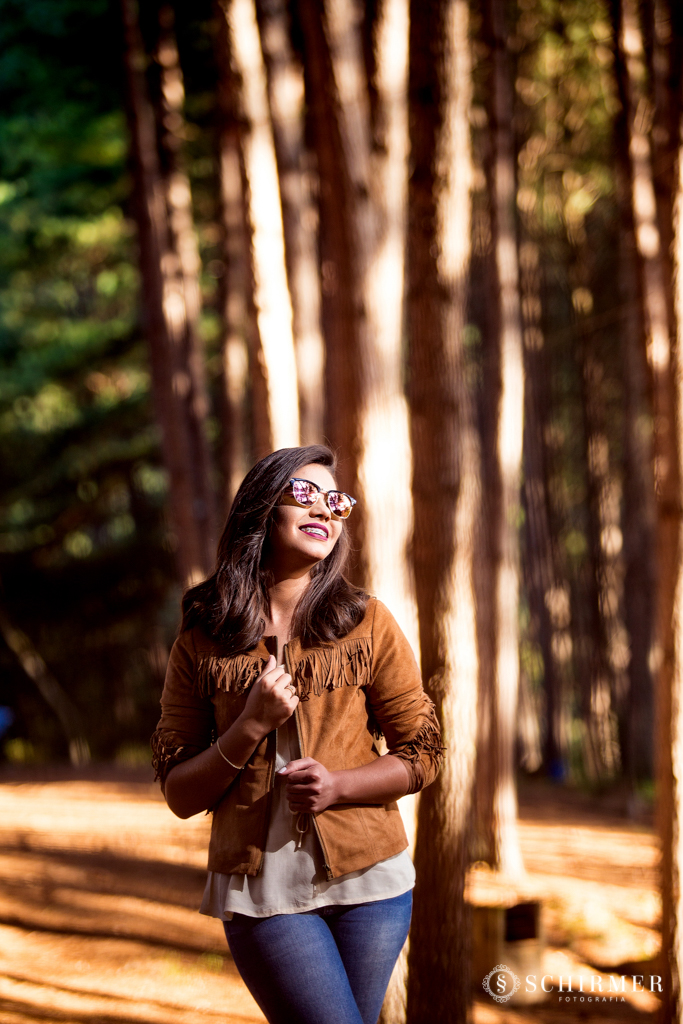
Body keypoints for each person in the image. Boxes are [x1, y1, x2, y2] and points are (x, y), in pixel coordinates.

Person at [151, 445, 443, 1024]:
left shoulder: (366, 621)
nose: (326, 512)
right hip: (263, 895)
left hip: (373, 885)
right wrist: (249, 725)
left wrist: (338, 786)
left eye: (337, 502)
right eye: (306, 494)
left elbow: (425, 751)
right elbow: (180, 792)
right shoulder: (203, 638)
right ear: (263, 507)